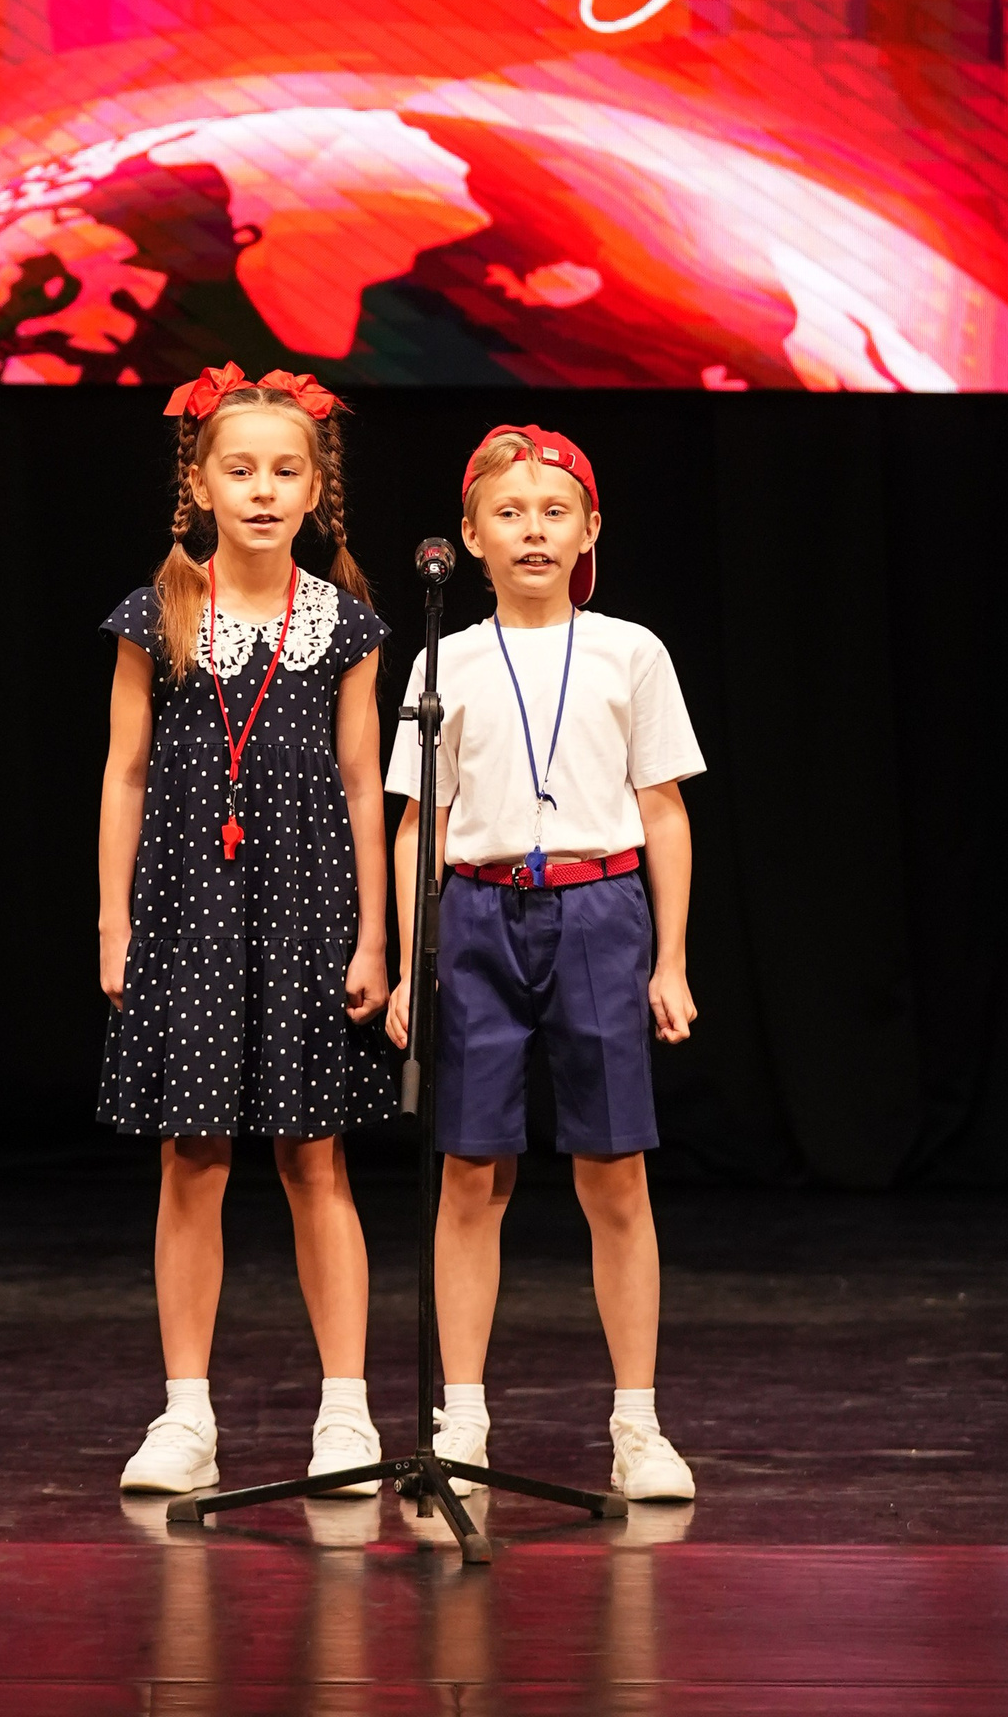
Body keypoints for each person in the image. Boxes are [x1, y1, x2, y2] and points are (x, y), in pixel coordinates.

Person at [385, 423, 703, 1502]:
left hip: (598, 910)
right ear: (471, 535)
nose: (533, 530)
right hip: (477, 913)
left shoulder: (630, 651)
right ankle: (463, 1416)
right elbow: (419, 823)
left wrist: (670, 958)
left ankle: (638, 1423)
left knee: (614, 1170)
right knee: (471, 1171)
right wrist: (410, 965)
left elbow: (664, 811)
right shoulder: (444, 660)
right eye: (510, 513)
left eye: (555, 512)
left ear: (589, 530)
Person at [98, 362, 394, 1497]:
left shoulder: (346, 626)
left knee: (315, 1158)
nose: (263, 491)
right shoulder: (158, 612)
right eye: (241, 471)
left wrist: (374, 938)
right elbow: (125, 775)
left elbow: (364, 783)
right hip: (188, 915)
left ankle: (346, 1412)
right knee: (192, 1158)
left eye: (284, 472)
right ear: (201, 485)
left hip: (308, 914)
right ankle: (186, 1414)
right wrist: (115, 924)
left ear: (316, 489)